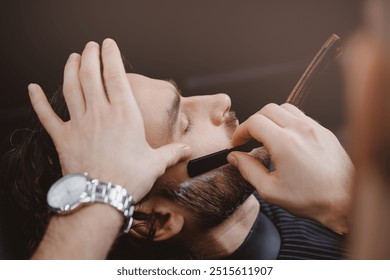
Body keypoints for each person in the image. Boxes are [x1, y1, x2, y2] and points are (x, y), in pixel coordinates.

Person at [1, 39, 353, 259]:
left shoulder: (333, 175)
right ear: (157, 219)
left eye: (181, 96)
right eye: (183, 122)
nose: (221, 100)